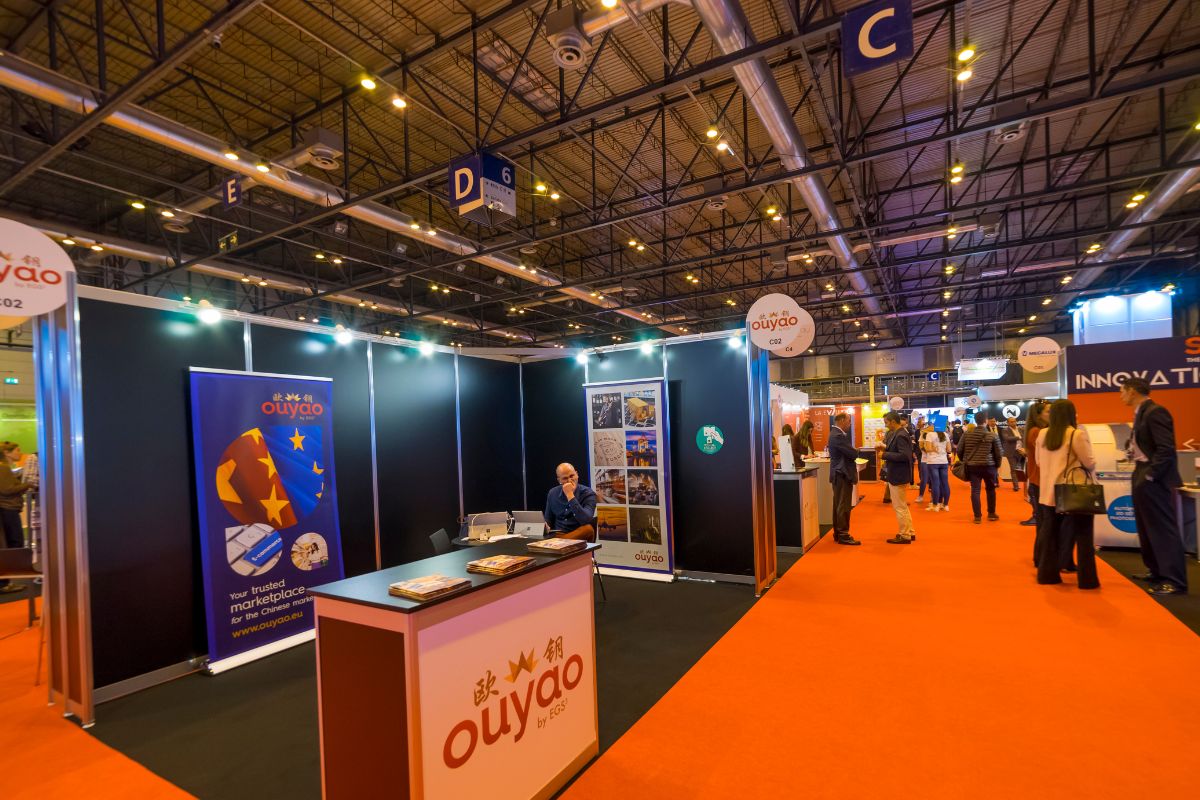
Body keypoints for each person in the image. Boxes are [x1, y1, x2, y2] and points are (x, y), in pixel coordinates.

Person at [1121, 377, 1187, 596]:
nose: (1121, 396)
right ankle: (1156, 571)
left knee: (1162, 529)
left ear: (1132, 391)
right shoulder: (1141, 413)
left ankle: (1174, 580)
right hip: (1140, 471)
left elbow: (1166, 449)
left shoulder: (1155, 412)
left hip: (1153, 477)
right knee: (1146, 526)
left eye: (1122, 391)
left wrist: (1150, 475)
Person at [1035, 400, 1099, 589]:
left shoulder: (1043, 434)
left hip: (1048, 493)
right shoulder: (1076, 434)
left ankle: (1047, 575)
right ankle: (1087, 580)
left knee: (1049, 534)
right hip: (1073, 493)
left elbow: (1038, 462)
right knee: (1084, 536)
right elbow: (1090, 463)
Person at [956, 414, 1002, 524]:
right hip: (989, 466)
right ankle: (991, 513)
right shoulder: (992, 435)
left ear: (975, 421)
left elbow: (959, 449)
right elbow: (999, 453)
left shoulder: (967, 434)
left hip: (973, 466)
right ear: (986, 421)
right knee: (990, 489)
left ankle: (977, 516)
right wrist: (997, 465)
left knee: (975, 490)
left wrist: (964, 460)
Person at [0, 442, 32, 593]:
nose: (20, 452)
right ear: (7, 452)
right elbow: (7, 490)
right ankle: (7, 581)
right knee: (14, 543)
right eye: (17, 450)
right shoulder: (3, 468)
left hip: (7, 509)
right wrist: (27, 485)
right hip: (9, 510)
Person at [880, 412, 915, 544]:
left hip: (898, 474)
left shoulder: (900, 434)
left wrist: (884, 455)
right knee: (902, 506)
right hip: (898, 473)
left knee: (899, 507)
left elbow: (904, 456)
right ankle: (910, 531)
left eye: (887, 422)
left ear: (893, 422)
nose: (885, 425)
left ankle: (904, 534)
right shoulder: (898, 433)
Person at [828, 412, 861, 546]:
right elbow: (852, 453)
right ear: (841, 420)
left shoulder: (835, 434)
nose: (850, 424)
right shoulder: (838, 436)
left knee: (839, 504)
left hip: (839, 473)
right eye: (848, 421)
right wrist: (856, 450)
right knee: (843, 505)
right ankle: (843, 534)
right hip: (842, 473)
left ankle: (838, 533)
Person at [543, 462, 597, 541]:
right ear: (559, 480)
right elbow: (548, 520)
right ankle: (560, 542)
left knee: (588, 529)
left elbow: (586, 520)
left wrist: (570, 495)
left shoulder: (588, 493)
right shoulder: (552, 493)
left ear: (577, 475)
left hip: (579, 534)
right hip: (559, 533)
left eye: (572, 476)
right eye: (565, 478)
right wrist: (544, 526)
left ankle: (559, 543)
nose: (569, 480)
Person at [922, 426, 952, 512]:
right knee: (945, 483)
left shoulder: (930, 434)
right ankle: (945, 505)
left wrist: (933, 449)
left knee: (935, 483)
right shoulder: (945, 434)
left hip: (933, 462)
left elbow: (927, 448)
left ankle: (935, 505)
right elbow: (949, 449)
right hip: (944, 461)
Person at [998, 416, 1024, 492]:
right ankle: (1016, 486)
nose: (1013, 423)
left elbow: (1024, 438)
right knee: (1013, 469)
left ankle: (1025, 485)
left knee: (1023, 469)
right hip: (1012, 452)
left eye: (1014, 421)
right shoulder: (1005, 430)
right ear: (1008, 423)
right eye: (1011, 421)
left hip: (1022, 451)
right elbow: (1007, 439)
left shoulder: (1021, 429)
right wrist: (1018, 437)